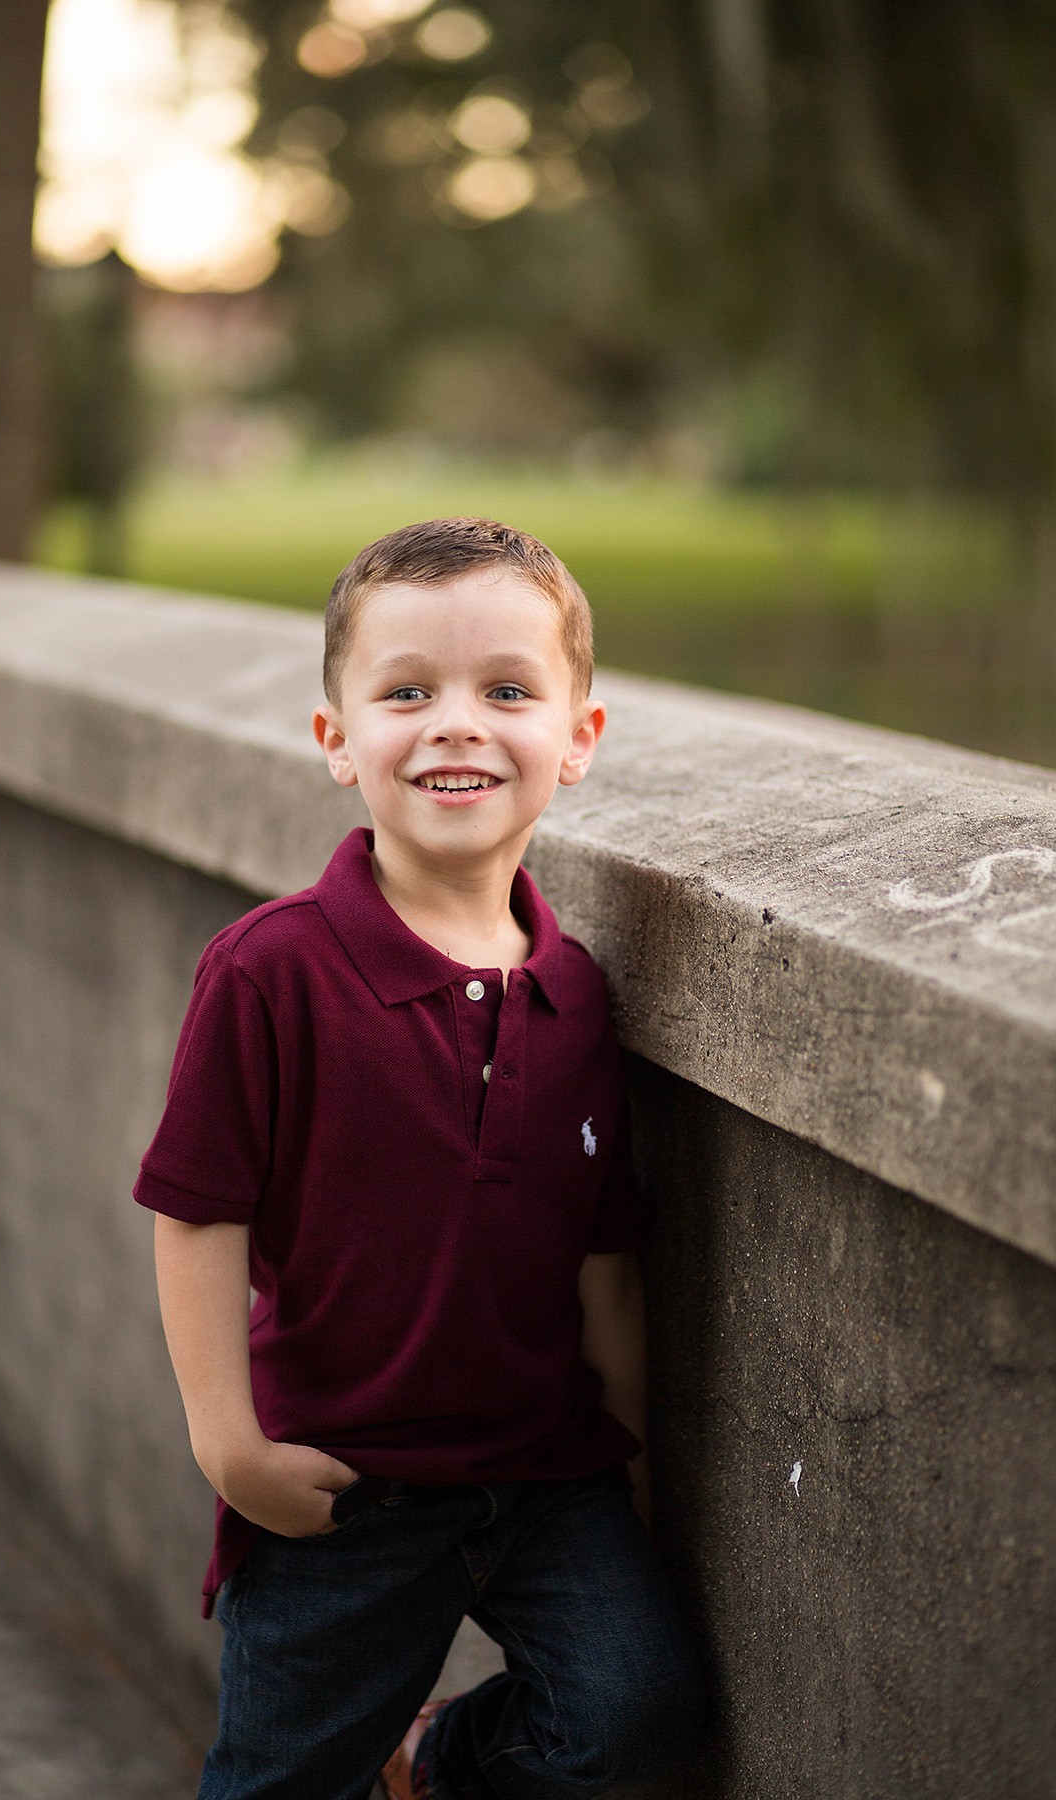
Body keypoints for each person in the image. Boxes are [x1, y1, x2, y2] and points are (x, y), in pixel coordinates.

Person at [134, 517, 706, 1800]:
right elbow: (196, 1215)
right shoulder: (270, 971)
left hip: (547, 1478)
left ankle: (442, 1758)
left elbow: (607, 1266)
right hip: (343, 1489)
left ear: (578, 740)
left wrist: (638, 1488)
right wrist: (232, 1452)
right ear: (337, 742)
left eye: (508, 690)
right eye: (407, 693)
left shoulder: (577, 993)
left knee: (635, 1711)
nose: (456, 724)